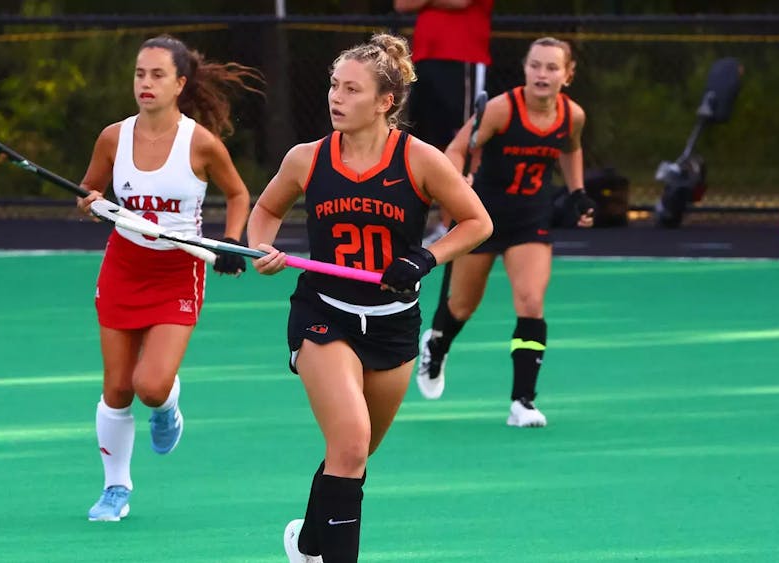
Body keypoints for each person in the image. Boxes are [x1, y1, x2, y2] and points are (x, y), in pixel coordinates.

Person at [246, 33, 492, 563]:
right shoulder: (306, 159)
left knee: (354, 453)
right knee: (353, 442)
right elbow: (265, 211)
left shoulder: (420, 160)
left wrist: (425, 258)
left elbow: (477, 222)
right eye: (334, 85)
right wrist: (260, 248)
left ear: (385, 101)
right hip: (323, 314)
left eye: (351, 89)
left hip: (392, 324)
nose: (336, 97)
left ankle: (308, 543)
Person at [76, 35, 261, 521]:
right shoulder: (113, 137)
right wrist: (93, 203)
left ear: (180, 84)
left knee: (151, 386)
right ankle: (116, 488)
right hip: (123, 265)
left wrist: (230, 242)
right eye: (140, 74)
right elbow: (88, 191)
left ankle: (167, 407)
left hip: (179, 270)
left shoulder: (200, 142)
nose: (146, 83)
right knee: (117, 387)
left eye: (158, 75)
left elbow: (239, 194)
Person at [415, 36, 595, 428]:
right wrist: (456, 181)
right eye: (535, 65)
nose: (542, 74)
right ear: (525, 68)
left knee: (531, 302)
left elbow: (571, 147)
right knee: (461, 306)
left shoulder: (572, 115)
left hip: (531, 220)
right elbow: (456, 149)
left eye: (551, 67)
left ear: (567, 75)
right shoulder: (501, 109)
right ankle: (437, 344)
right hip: (481, 220)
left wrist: (578, 191)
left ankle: (523, 401)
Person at [393, 0, 493, 245]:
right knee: (429, 143)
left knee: (466, 139)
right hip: (426, 58)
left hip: (463, 57)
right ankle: (444, 222)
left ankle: (465, 221)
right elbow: (402, 4)